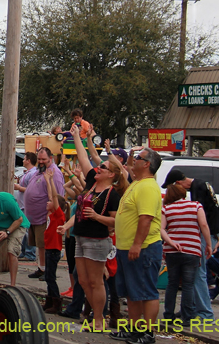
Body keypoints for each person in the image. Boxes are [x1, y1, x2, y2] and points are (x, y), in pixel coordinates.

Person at [60, 123, 125, 331]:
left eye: (103, 167)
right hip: (80, 236)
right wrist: (76, 136)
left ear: (111, 175)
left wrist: (97, 216)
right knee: (83, 281)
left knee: (96, 281)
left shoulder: (112, 195)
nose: (99, 168)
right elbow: (83, 158)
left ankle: (99, 319)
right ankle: (92, 315)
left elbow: (115, 221)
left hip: (97, 240)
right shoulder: (91, 182)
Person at [110, 147, 163, 344]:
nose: (134, 162)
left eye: (138, 159)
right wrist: (132, 154)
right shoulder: (137, 183)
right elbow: (128, 167)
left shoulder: (148, 186)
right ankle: (134, 329)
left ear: (147, 164)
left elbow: (146, 218)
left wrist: (137, 244)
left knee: (146, 291)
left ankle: (147, 332)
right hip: (126, 247)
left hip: (144, 248)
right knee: (132, 291)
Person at [161, 168, 219, 320]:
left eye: (172, 187)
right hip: (210, 232)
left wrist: (208, 243)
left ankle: (204, 312)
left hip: (205, 235)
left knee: (197, 275)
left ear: (177, 184)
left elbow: (201, 221)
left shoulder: (198, 189)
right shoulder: (202, 184)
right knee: (192, 277)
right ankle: (190, 310)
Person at [160, 183, 212, 324]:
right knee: (188, 284)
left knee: (172, 283)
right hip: (192, 250)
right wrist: (208, 244)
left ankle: (169, 315)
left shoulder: (166, 209)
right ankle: (187, 316)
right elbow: (204, 225)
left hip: (172, 251)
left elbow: (162, 229)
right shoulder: (196, 206)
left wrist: (170, 242)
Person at [23, 147, 66, 280]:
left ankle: (48, 270)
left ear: (51, 158)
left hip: (44, 216)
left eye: (44, 160)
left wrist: (51, 213)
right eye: (39, 159)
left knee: (46, 245)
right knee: (39, 245)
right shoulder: (39, 171)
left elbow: (57, 196)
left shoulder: (55, 174)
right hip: (33, 217)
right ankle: (41, 268)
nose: (41, 162)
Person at [43, 161, 68, 314]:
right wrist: (47, 180)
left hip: (54, 249)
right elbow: (50, 194)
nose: (48, 201)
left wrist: (52, 180)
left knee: (50, 277)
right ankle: (50, 299)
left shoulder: (59, 215)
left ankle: (56, 301)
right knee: (47, 276)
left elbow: (53, 196)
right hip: (48, 248)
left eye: (51, 202)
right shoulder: (51, 215)